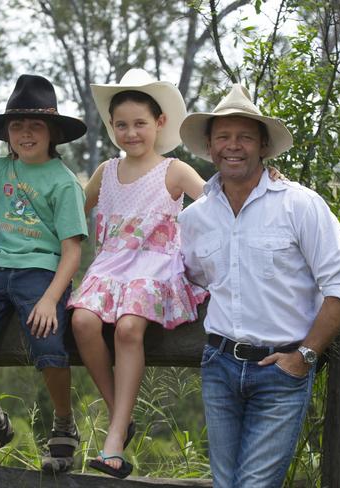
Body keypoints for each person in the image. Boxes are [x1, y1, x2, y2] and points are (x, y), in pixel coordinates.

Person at [178, 84, 340, 487]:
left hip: (281, 369)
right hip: (219, 365)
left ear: (263, 145)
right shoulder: (195, 218)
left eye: (245, 136)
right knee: (225, 484)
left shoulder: (299, 204)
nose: (233, 146)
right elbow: (190, 279)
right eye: (223, 136)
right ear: (209, 146)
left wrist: (304, 356)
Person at [67, 68, 209, 479]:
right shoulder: (105, 172)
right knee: (82, 321)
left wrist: (266, 180)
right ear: (112, 127)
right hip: (110, 266)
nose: (131, 133)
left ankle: (113, 442)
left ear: (160, 122)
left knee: (129, 328)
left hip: (155, 268)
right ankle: (119, 417)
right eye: (122, 125)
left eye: (140, 124)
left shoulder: (174, 170)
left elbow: (218, 202)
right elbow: (70, 211)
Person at [0, 74, 89, 473]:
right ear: (7, 133)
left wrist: (49, 298)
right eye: (17, 126)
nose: (25, 133)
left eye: (36, 125)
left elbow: (72, 251)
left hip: (42, 272)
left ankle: (63, 425)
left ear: (53, 133)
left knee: (46, 339)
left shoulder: (63, 183)